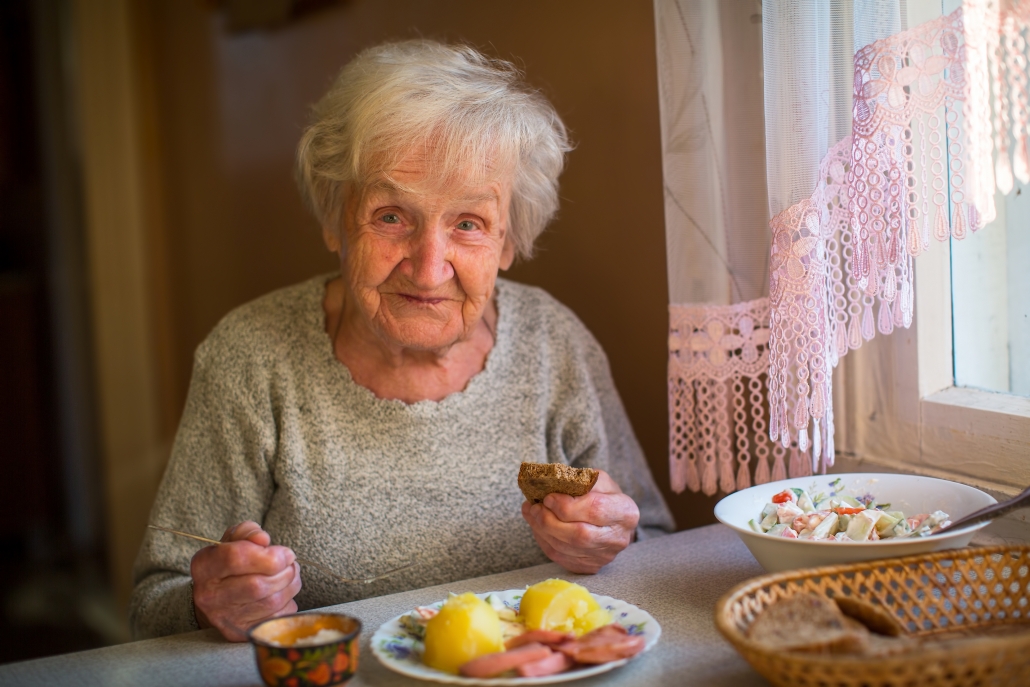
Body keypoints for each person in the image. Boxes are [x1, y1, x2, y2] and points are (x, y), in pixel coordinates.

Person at [130, 39, 675, 641]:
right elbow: (155, 603)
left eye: (468, 224)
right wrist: (210, 605)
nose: (427, 267)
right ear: (335, 218)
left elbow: (653, 543)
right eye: (392, 216)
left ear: (509, 241)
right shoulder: (251, 358)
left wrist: (607, 547)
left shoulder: (554, 342)